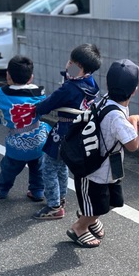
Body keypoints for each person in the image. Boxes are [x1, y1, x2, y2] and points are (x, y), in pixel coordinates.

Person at [66, 59, 139, 248]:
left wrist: (129, 119)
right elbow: (133, 145)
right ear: (134, 90)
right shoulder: (117, 116)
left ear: (109, 84)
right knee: (97, 204)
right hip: (94, 171)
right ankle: (80, 227)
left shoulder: (107, 99)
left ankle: (89, 217)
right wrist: (133, 121)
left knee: (114, 201)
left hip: (109, 167)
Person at [32, 43, 101, 220]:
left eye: (72, 62)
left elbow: (48, 104)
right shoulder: (91, 84)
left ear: (79, 66)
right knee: (61, 166)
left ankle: (54, 205)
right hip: (79, 133)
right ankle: (60, 197)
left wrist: (35, 108)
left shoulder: (70, 88)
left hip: (63, 131)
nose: (68, 64)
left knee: (48, 167)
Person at [0, 55, 47, 200]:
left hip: (17, 145)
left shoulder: (1, 95)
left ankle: (3, 189)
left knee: (9, 168)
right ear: (31, 77)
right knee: (37, 167)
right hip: (39, 140)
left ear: (8, 75)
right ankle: (37, 191)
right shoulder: (39, 93)